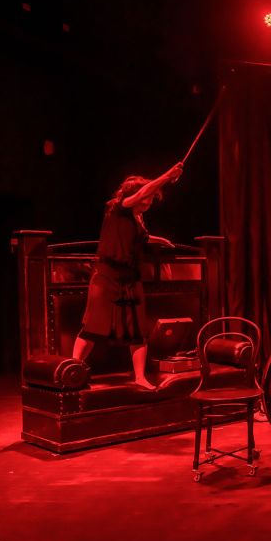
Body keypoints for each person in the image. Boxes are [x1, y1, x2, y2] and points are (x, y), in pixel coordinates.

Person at [71, 162, 184, 389]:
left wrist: (161, 240)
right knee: (93, 327)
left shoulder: (138, 218)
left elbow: (142, 238)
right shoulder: (118, 208)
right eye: (148, 197)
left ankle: (140, 377)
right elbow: (141, 193)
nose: (149, 201)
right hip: (107, 277)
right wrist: (168, 175)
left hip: (130, 279)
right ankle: (72, 370)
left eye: (151, 198)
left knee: (137, 331)